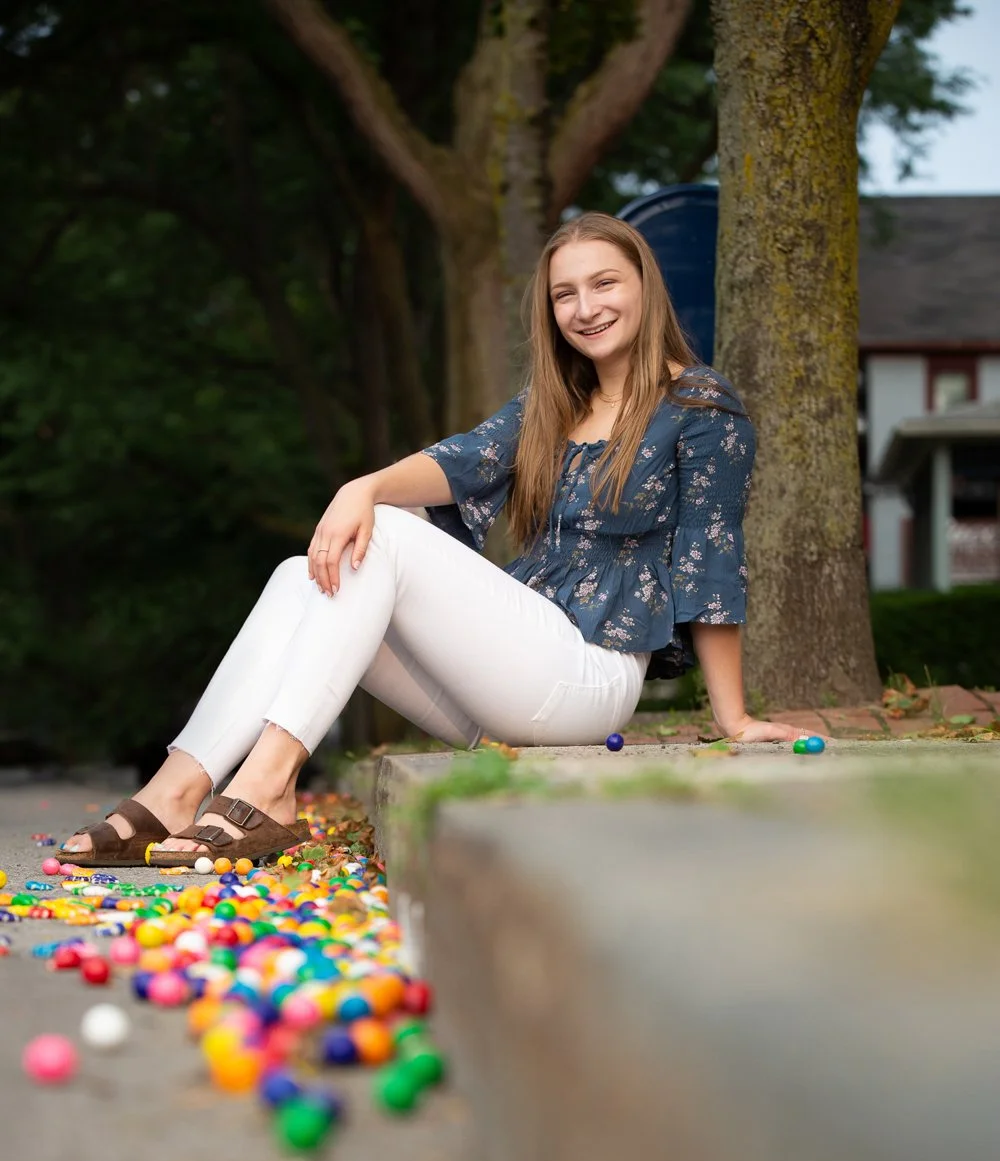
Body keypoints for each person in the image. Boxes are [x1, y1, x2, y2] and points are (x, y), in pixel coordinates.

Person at [62, 211, 808, 868]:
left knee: (379, 531)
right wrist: (366, 486)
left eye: (604, 284)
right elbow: (460, 462)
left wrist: (731, 717)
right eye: (564, 294)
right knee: (304, 573)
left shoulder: (699, 406)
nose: (586, 308)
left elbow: (712, 555)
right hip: (500, 683)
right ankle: (178, 787)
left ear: (645, 287)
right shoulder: (553, 404)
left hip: (590, 678)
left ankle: (267, 783)